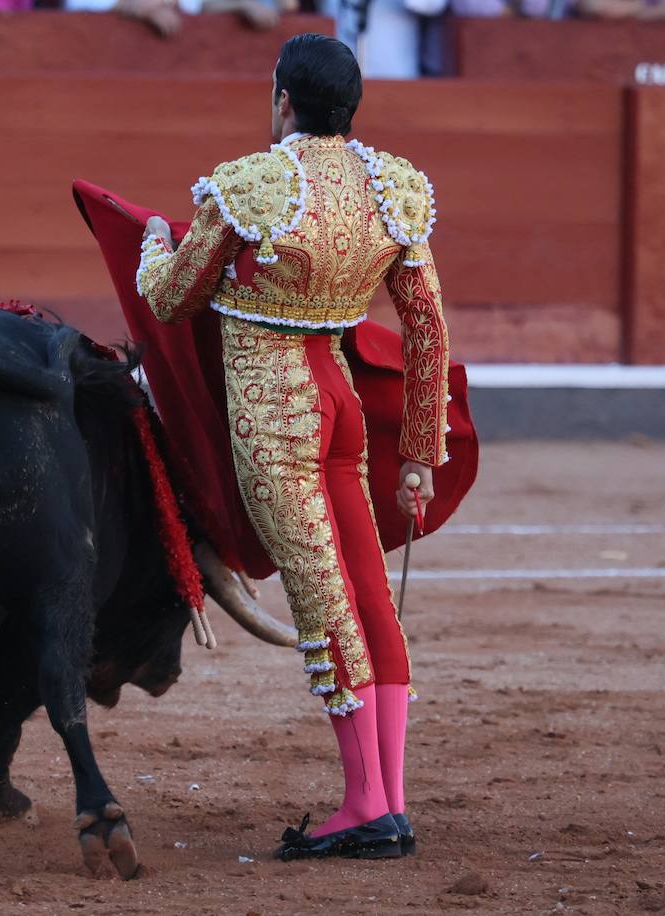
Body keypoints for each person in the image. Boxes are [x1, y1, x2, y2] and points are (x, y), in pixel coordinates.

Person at [135, 32, 449, 860]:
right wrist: (418, 449)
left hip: (278, 415)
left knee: (324, 600)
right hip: (341, 402)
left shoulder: (254, 184)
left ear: (283, 100)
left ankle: (365, 806)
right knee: (369, 595)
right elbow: (426, 326)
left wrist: (150, 246)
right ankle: (390, 799)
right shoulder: (394, 187)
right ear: (351, 106)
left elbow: (171, 300)